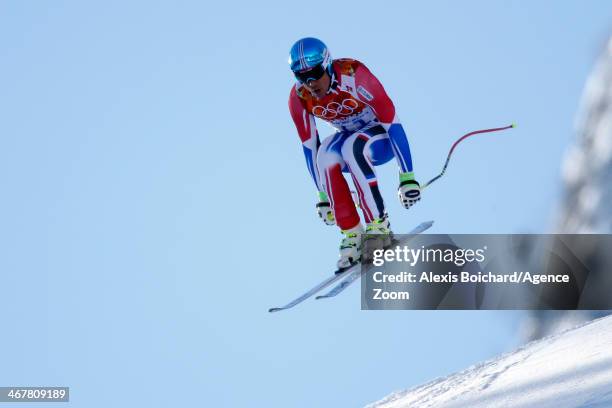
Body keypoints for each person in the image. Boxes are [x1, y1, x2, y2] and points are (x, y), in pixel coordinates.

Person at [288, 37, 421, 269]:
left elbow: (393, 123)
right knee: (326, 154)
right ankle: (353, 234)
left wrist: (407, 177)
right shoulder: (300, 97)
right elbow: (309, 146)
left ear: (327, 64)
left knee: (352, 146)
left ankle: (379, 225)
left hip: (380, 139)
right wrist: (323, 196)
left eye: (315, 73)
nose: (310, 83)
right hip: (349, 138)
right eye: (301, 76)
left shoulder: (354, 75)